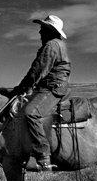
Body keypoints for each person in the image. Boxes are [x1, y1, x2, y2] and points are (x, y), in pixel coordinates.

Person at [12, 15, 71, 171]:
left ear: (49, 31)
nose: (39, 32)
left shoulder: (51, 46)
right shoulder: (57, 44)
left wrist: (21, 88)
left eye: (42, 29)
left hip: (52, 87)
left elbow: (37, 71)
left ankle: (43, 158)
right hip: (51, 86)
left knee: (31, 113)